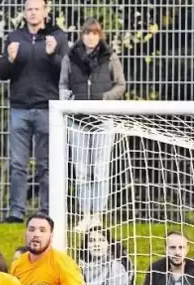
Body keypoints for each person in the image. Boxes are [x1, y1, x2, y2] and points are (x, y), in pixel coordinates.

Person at [0, 0, 69, 222]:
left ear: (45, 11)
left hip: (47, 109)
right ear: (24, 12)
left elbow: (67, 71)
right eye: (29, 9)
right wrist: (10, 60)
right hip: (19, 108)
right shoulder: (14, 37)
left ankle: (46, 211)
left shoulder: (58, 37)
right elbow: (2, 73)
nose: (33, 12)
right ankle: (16, 212)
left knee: (45, 164)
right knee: (18, 164)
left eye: (37, 8)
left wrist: (52, 55)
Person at [58, 18, 126, 232]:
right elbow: (63, 84)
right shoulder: (70, 57)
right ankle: (84, 215)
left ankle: (98, 215)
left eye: (95, 33)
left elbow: (121, 85)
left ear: (100, 35)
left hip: (103, 120)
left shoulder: (110, 56)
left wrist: (103, 98)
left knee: (100, 170)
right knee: (81, 171)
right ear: (82, 34)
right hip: (78, 120)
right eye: (87, 33)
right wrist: (68, 102)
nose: (90, 37)